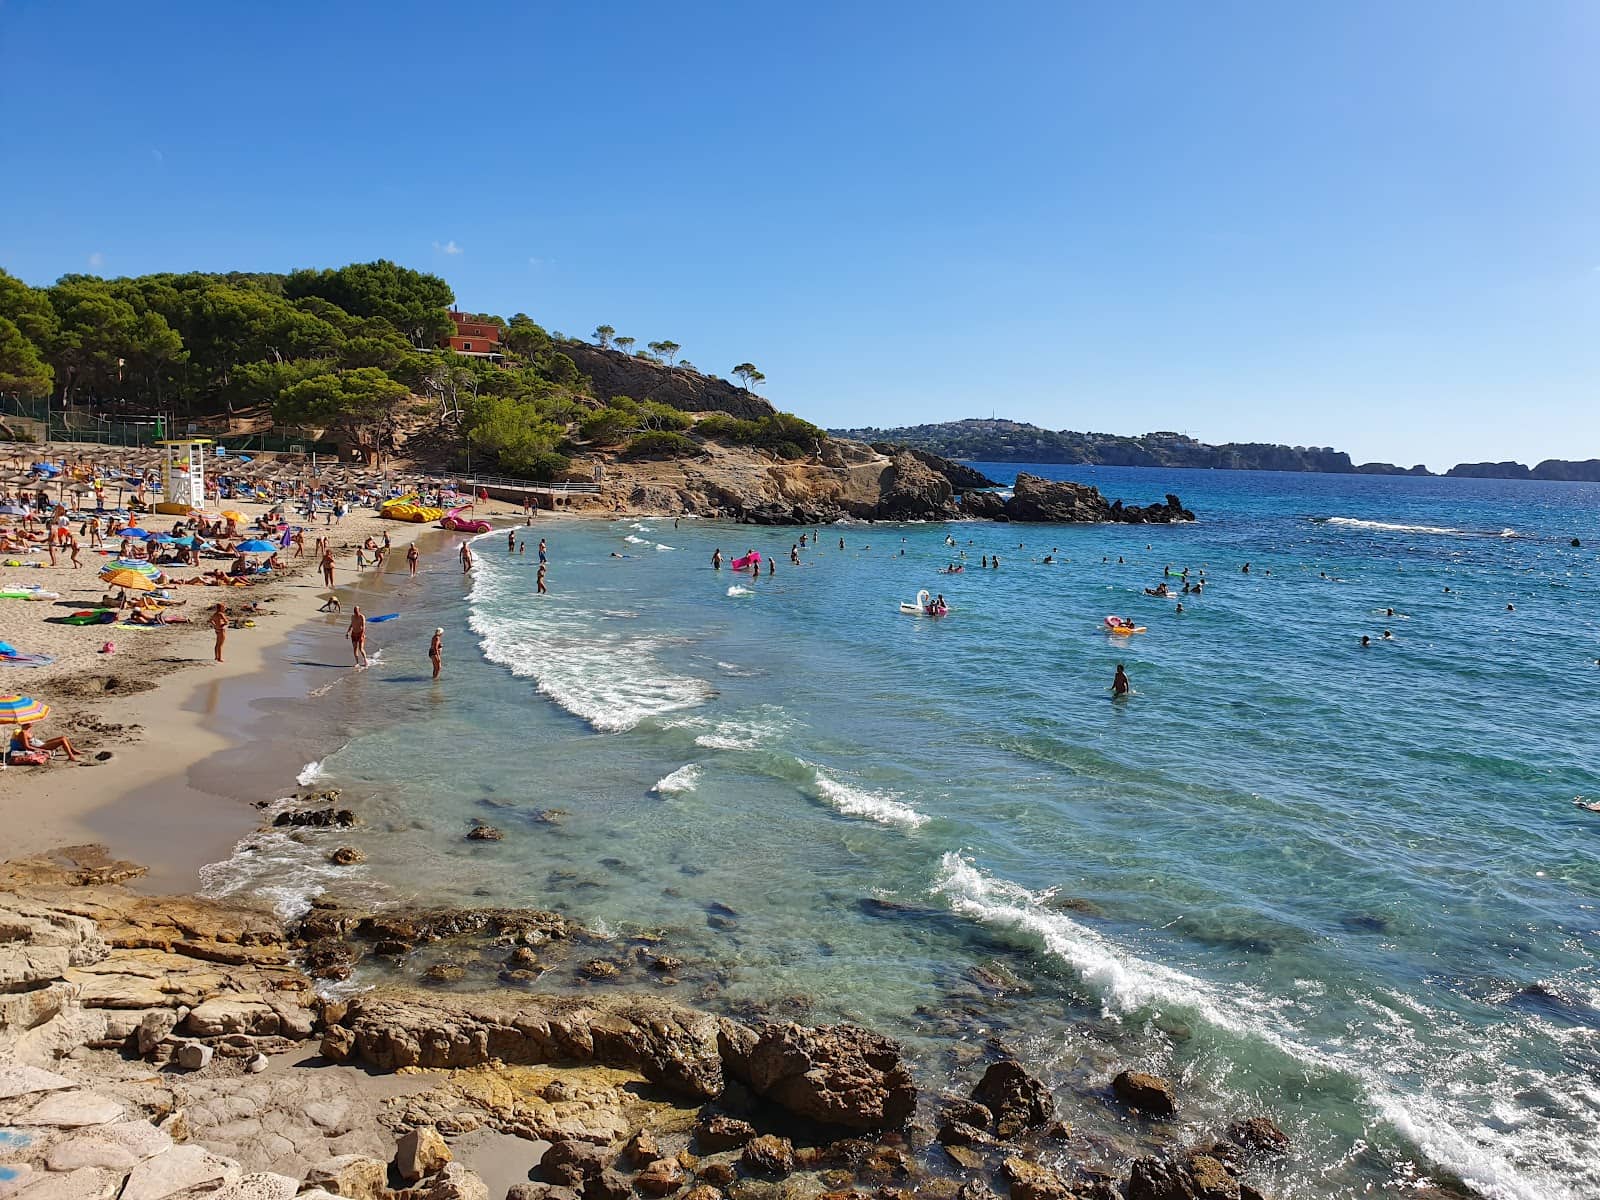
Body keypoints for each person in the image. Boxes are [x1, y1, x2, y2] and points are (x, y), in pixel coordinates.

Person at [9, 721, 78, 764]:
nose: (33, 722)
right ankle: (70, 756)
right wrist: (44, 750)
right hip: (42, 746)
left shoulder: (26, 730)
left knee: (64, 737)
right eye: (31, 721)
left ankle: (73, 751)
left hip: (42, 743)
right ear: (26, 723)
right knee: (62, 740)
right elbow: (27, 747)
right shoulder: (23, 733)